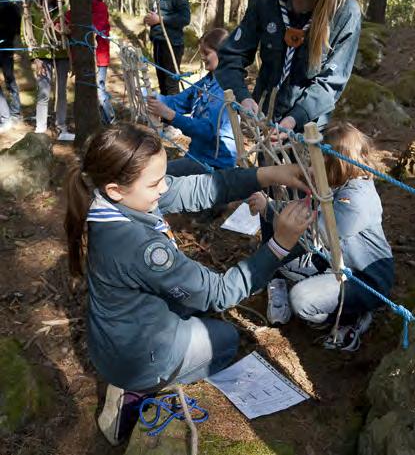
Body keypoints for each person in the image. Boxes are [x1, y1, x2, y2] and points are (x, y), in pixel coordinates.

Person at [64, 123, 313, 445]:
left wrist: (269, 175)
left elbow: (198, 188)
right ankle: (136, 391)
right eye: (155, 183)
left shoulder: (113, 201)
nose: (164, 190)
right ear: (117, 189)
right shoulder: (140, 247)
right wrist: (279, 244)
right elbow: (219, 294)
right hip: (137, 357)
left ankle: (133, 375)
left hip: (116, 340)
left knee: (198, 315)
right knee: (225, 339)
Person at [248, 122, 395, 351]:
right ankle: (329, 298)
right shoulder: (340, 184)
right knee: (283, 260)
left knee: (301, 300)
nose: (309, 167)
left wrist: (269, 209)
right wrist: (274, 204)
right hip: (335, 261)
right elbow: (309, 215)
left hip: (365, 279)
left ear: (334, 164)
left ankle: (353, 318)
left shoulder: (357, 200)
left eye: (316, 162)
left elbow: (309, 228)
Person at [215, 0, 361, 137]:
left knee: (301, 174)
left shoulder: (345, 12)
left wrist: (295, 119)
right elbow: (231, 56)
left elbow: (332, 82)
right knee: (266, 171)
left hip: (308, 130)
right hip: (265, 120)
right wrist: (243, 97)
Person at [146, 28, 237, 176]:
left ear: (222, 53)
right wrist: (153, 97)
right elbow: (179, 101)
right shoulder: (207, 81)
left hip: (215, 163)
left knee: (159, 176)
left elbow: (207, 131)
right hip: (198, 154)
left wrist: (170, 115)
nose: (202, 57)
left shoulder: (226, 90)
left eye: (206, 53)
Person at [144, 0, 190, 137]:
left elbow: (184, 18)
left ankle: (174, 123)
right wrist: (150, 21)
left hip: (172, 43)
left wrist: (160, 20)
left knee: (171, 84)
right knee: (162, 82)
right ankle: (165, 121)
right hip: (159, 41)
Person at [65, 0, 115, 124]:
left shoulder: (100, 7)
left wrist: (73, 27)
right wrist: (60, 24)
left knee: (99, 91)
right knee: (89, 90)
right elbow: (67, 17)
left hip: (99, 57)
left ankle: (111, 121)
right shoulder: (79, 8)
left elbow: (95, 28)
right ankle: (100, 121)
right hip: (85, 57)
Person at [29, 0, 72, 139]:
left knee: (61, 91)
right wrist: (35, 57)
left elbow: (70, 29)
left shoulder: (62, 6)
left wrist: (64, 30)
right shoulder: (32, 7)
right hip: (42, 55)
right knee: (43, 92)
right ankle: (40, 128)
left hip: (61, 55)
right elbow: (27, 33)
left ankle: (61, 126)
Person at [0, 0, 22, 133]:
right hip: (5, 48)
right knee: (10, 80)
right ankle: (5, 115)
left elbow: (15, 27)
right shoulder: (11, 6)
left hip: (6, 49)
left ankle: (14, 113)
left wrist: (7, 37)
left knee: (10, 79)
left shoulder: (10, 6)